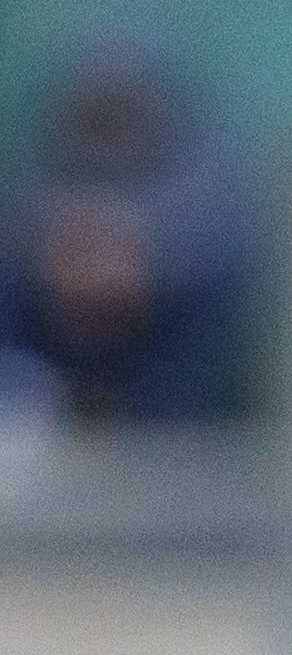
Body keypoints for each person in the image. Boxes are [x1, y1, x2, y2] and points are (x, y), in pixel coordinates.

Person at [1, 32, 262, 426]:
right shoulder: (44, 161)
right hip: (44, 361)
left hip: (165, 367)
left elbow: (213, 247)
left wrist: (141, 258)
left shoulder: (199, 176)